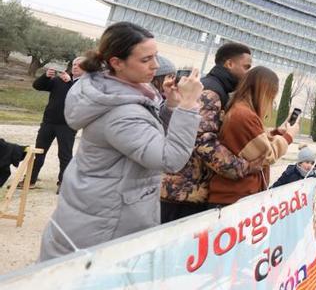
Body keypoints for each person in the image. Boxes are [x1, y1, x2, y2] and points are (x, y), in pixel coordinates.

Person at [39, 22, 202, 260]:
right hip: (105, 223)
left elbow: (149, 135)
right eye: (146, 60)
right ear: (116, 62)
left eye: (155, 56)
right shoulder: (120, 113)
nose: (155, 66)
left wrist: (171, 106)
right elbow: (170, 159)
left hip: (99, 210)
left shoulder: (115, 92)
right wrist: (188, 107)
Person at [160, 42, 259, 223]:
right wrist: (243, 167)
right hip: (184, 194)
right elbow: (203, 142)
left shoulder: (215, 89)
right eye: (246, 67)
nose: (248, 73)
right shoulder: (211, 91)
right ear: (229, 64)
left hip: (187, 192)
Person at [208, 67, 293, 206]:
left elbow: (252, 143)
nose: (270, 103)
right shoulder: (244, 115)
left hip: (236, 195)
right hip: (235, 197)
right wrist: (289, 136)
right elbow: (267, 155)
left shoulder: (240, 110)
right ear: (264, 92)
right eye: (271, 96)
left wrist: (275, 133)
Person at [28, 57, 85, 190]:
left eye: (79, 65)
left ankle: (63, 183)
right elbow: (37, 86)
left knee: (64, 155)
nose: (75, 67)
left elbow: (82, 98)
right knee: (39, 152)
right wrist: (46, 77)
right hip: (49, 122)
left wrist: (71, 83)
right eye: (74, 64)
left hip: (67, 125)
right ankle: (30, 181)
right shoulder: (60, 80)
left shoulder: (87, 84)